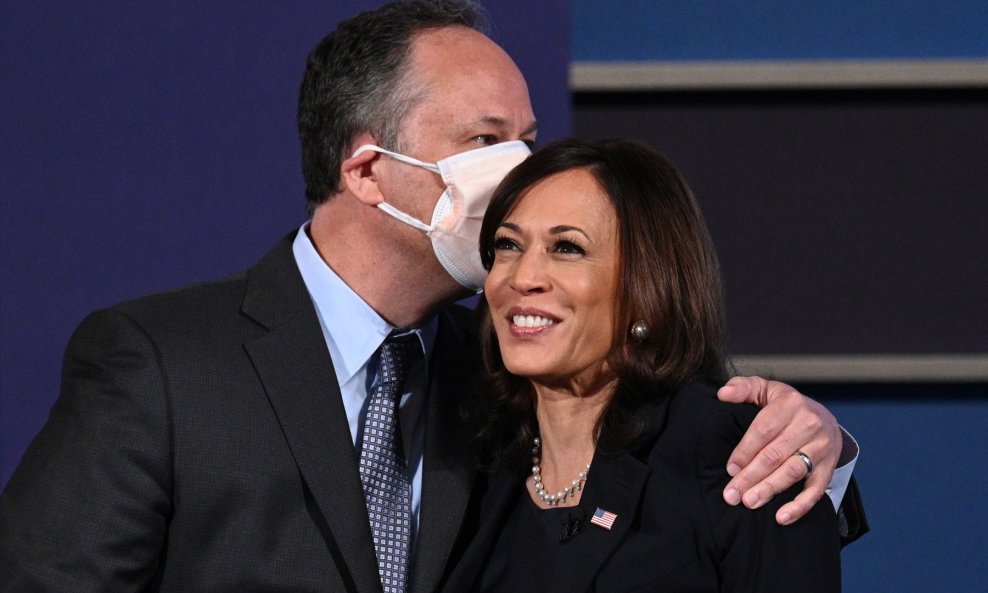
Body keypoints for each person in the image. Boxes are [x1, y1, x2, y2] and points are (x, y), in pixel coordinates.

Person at [0, 2, 862, 592]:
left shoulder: (498, 378)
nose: (519, 171)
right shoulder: (161, 363)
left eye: (527, 139)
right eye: (487, 139)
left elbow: (691, 478)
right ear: (368, 171)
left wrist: (819, 443)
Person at [443, 138, 843, 592]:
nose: (523, 277)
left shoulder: (733, 452)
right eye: (508, 245)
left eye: (567, 248)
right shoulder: (476, 460)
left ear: (646, 283)